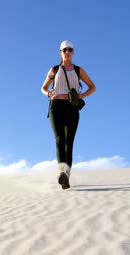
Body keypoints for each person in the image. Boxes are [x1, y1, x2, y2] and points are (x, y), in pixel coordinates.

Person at [41, 40, 96, 190]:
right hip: (55, 106)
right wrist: (48, 93)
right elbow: (43, 87)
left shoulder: (79, 70)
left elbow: (93, 87)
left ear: (73, 53)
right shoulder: (54, 69)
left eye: (70, 50)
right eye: (64, 50)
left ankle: (66, 176)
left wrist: (81, 96)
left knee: (69, 143)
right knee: (59, 139)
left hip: (71, 108)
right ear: (60, 52)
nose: (67, 52)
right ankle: (62, 173)